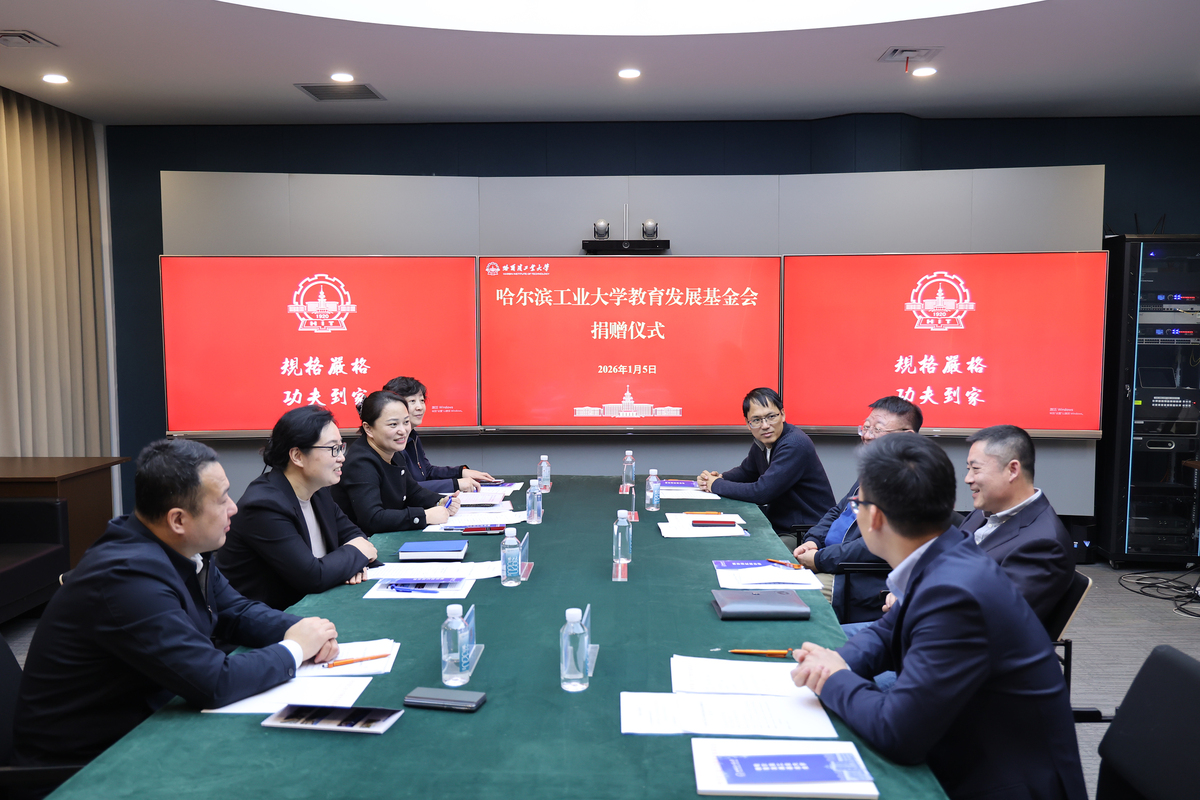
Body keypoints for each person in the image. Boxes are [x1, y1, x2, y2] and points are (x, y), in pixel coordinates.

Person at [790, 433, 1086, 800]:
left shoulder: (955, 595)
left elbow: (898, 733)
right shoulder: (943, 551)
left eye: (857, 504)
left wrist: (832, 678)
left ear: (875, 517)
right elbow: (885, 632)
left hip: (998, 783)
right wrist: (839, 661)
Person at [13, 439, 340, 771]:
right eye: (222, 500)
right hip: (84, 768)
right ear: (178, 520)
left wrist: (300, 630)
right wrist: (294, 649)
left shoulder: (178, 547)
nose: (233, 508)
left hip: (148, 729)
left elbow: (236, 612)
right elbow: (214, 682)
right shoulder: (127, 578)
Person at [216, 406, 379, 610]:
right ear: (297, 456)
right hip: (267, 619)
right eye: (333, 449)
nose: (341, 457)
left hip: (311, 609)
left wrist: (352, 563)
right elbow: (313, 576)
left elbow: (354, 535)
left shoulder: (318, 491)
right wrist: (356, 557)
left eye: (341, 447)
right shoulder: (264, 505)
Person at [793, 396, 922, 624]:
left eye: (877, 430)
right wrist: (814, 540)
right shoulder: (875, 467)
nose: (867, 436)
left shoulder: (910, 480)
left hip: (856, 579)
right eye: (866, 427)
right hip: (833, 564)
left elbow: (876, 544)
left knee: (788, 598)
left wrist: (820, 559)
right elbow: (838, 511)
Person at [959, 423, 1075, 625]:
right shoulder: (984, 511)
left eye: (975, 469)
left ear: (1012, 470)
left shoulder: (1044, 545)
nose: (968, 479)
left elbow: (997, 620)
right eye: (968, 469)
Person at [697, 387, 834, 550]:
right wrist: (718, 478)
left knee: (751, 551)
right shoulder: (763, 442)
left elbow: (762, 492)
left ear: (782, 414)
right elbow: (746, 472)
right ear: (748, 424)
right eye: (756, 420)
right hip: (780, 523)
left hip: (806, 532)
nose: (765, 425)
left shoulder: (795, 444)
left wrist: (715, 485)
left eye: (771, 417)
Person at [331, 390, 461, 534]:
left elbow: (413, 492)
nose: (403, 431)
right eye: (393, 424)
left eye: (406, 422)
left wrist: (440, 501)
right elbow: (372, 519)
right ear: (368, 429)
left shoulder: (393, 452)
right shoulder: (360, 463)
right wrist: (425, 516)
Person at [383, 375, 495, 492]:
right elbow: (405, 488)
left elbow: (427, 471)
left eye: (422, 400)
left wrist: (461, 472)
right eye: (412, 401)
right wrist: (455, 484)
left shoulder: (412, 435)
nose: (420, 407)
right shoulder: (392, 442)